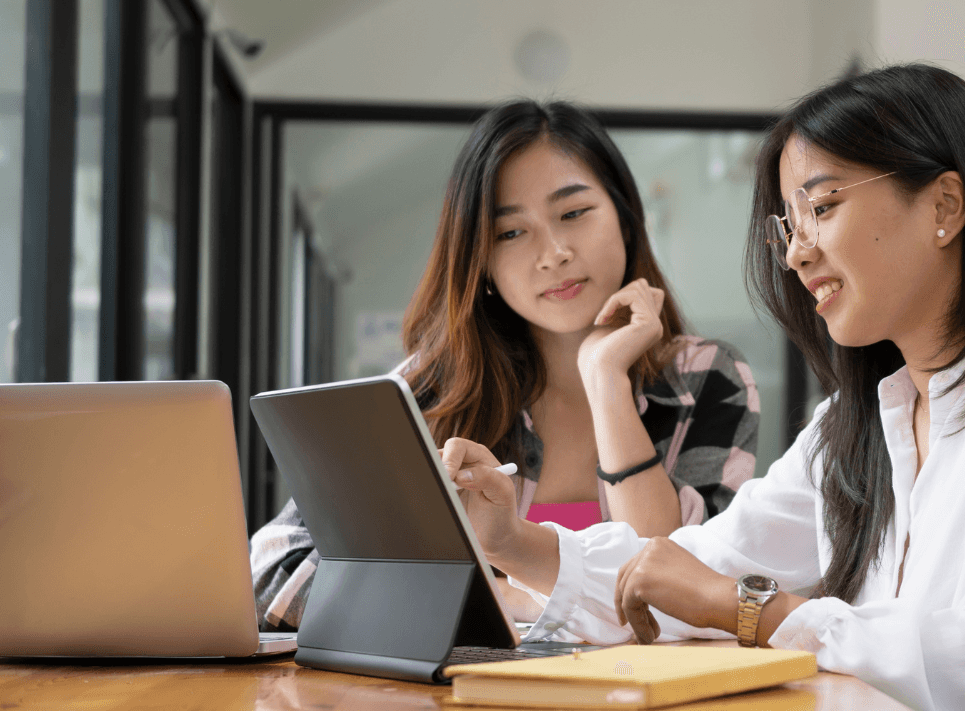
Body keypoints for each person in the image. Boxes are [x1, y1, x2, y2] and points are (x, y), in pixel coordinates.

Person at [445, 65, 965, 709]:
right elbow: (691, 567)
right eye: (788, 223)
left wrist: (753, 611)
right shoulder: (860, 416)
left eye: (823, 207)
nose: (797, 254)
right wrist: (514, 539)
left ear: (944, 206)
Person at [250, 100, 760, 629]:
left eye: (573, 213)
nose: (553, 253)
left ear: (627, 220)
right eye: (510, 233)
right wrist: (509, 604)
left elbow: (687, 593)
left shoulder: (709, 379)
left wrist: (605, 379)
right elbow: (272, 571)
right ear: (482, 262)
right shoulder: (430, 389)